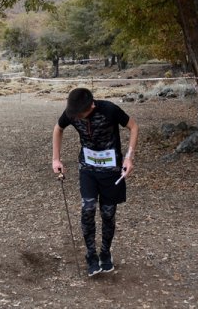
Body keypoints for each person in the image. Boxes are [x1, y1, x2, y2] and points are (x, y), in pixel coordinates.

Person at [52, 87, 138, 277]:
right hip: (87, 169)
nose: (78, 118)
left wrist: (129, 158)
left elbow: (133, 127)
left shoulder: (109, 110)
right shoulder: (72, 112)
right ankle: (91, 255)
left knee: (108, 214)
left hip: (111, 171)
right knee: (88, 208)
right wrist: (56, 159)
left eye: (81, 114)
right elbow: (58, 129)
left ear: (91, 105)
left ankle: (105, 253)